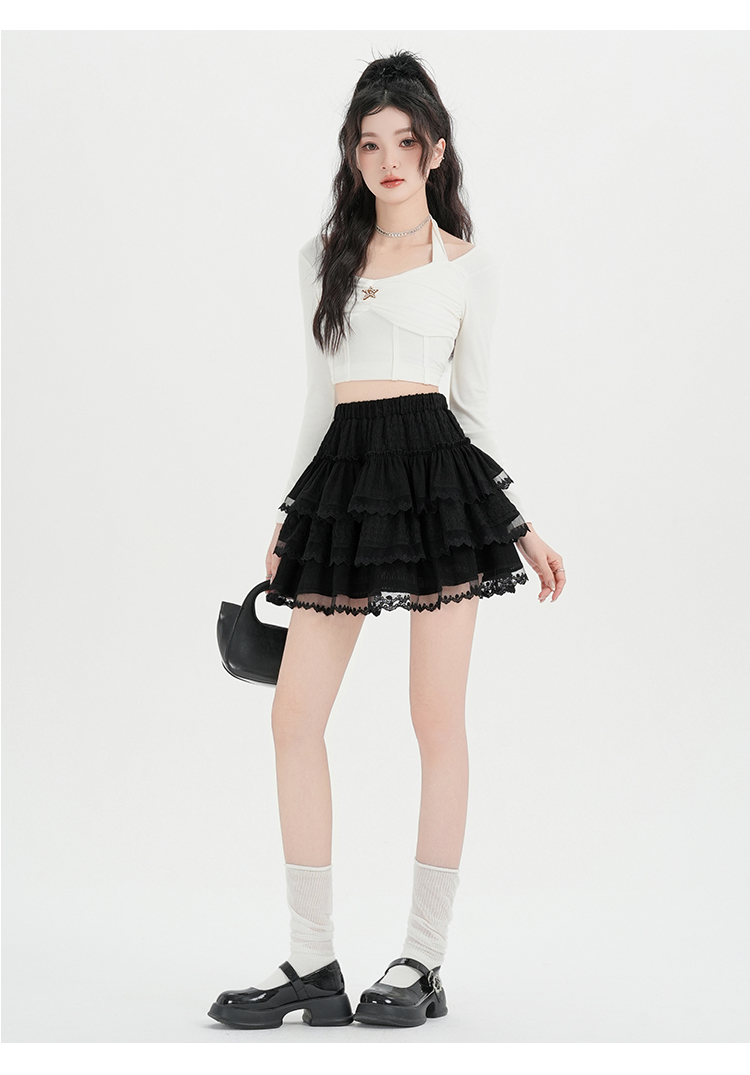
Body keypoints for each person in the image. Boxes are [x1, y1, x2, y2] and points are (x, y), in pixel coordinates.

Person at [208, 50, 566, 1031]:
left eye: (406, 141)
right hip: (343, 484)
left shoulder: (468, 265)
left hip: (440, 488)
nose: (389, 159)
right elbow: (318, 398)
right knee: (294, 717)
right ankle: (313, 961)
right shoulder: (323, 255)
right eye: (370, 144)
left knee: (435, 720)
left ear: (435, 150)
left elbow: (474, 413)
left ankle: (423, 958)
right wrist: (289, 513)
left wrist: (520, 523)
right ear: (354, 155)